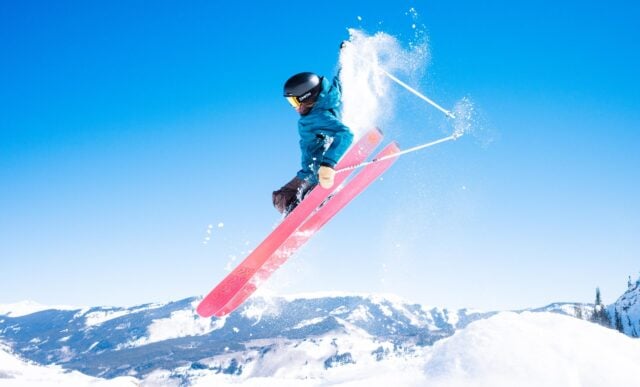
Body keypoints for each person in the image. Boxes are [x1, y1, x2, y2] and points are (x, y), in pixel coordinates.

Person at [272, 70, 354, 215]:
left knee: (281, 197)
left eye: (294, 101)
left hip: (315, 172)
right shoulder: (331, 96)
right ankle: (308, 203)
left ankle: (306, 207)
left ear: (306, 96)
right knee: (285, 195)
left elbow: (345, 134)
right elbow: (339, 81)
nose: (293, 107)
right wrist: (346, 57)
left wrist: (328, 165)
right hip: (311, 170)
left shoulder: (315, 118)